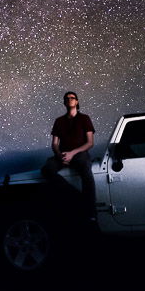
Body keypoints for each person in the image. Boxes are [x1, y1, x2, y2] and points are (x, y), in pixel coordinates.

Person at [41, 91, 96, 220]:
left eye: (72, 98)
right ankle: (78, 198)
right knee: (46, 169)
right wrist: (60, 156)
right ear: (64, 103)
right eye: (66, 98)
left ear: (77, 102)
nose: (69, 99)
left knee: (86, 171)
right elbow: (54, 144)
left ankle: (91, 212)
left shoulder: (84, 118)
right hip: (63, 154)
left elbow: (90, 143)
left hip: (79, 153)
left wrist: (72, 153)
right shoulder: (59, 121)